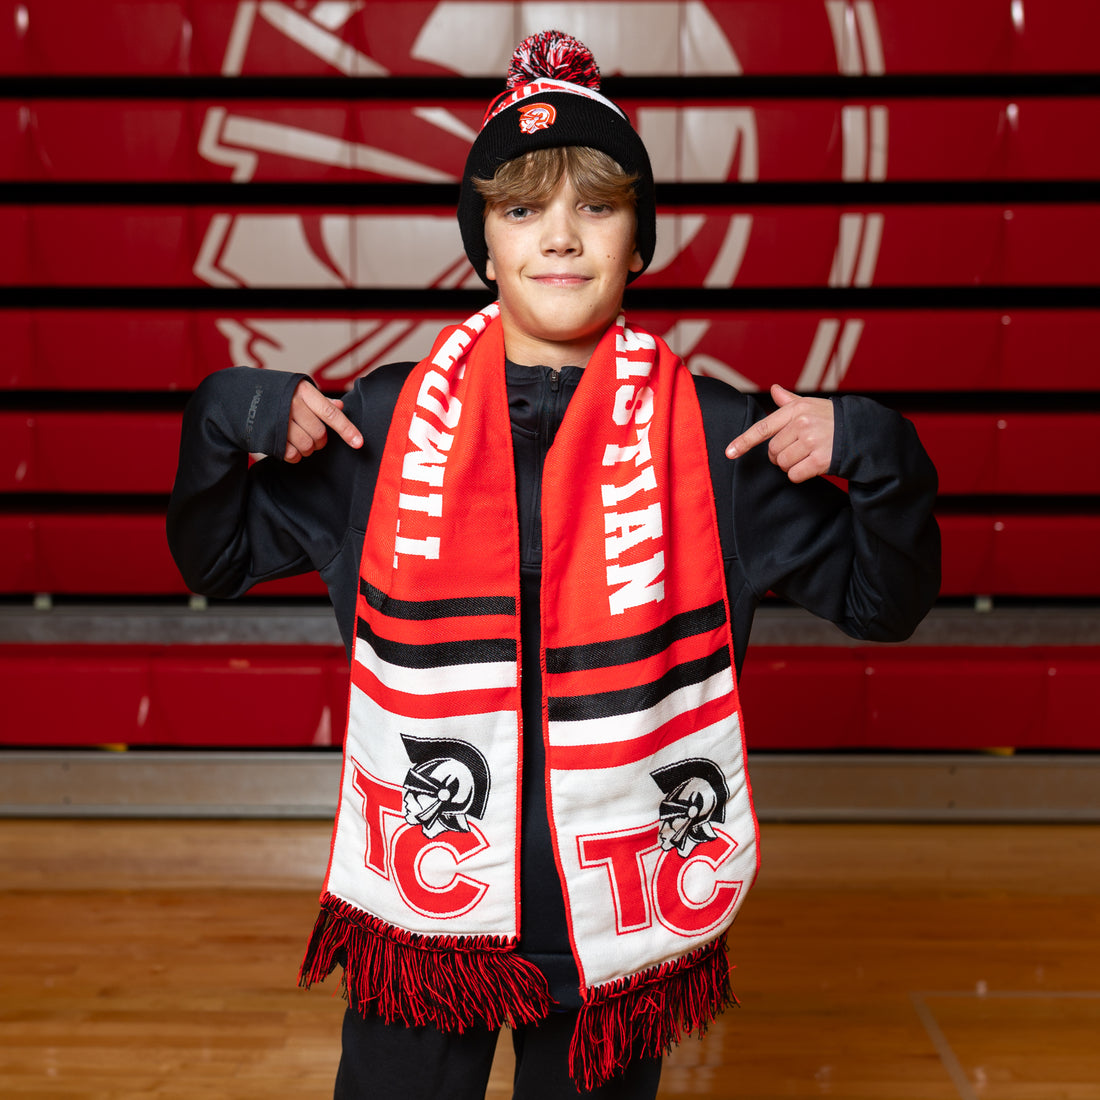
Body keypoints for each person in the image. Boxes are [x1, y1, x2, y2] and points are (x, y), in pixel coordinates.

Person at [168, 30, 940, 1100]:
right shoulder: (389, 421)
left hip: (618, 939)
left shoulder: (716, 438)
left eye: (595, 206)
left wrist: (878, 453)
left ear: (638, 240)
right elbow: (212, 555)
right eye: (522, 209)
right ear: (481, 244)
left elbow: (882, 604)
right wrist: (221, 416)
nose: (559, 239)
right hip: (426, 917)